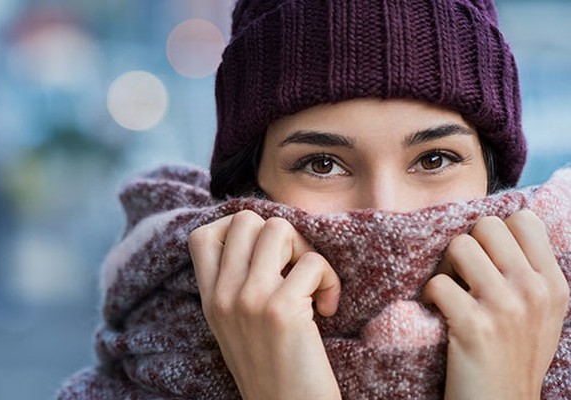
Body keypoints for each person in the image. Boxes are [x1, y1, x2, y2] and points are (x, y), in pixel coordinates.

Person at [186, 0, 569, 399]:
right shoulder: (135, 355)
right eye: (321, 164)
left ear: (493, 180)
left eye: (433, 159)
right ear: (248, 186)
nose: (386, 214)